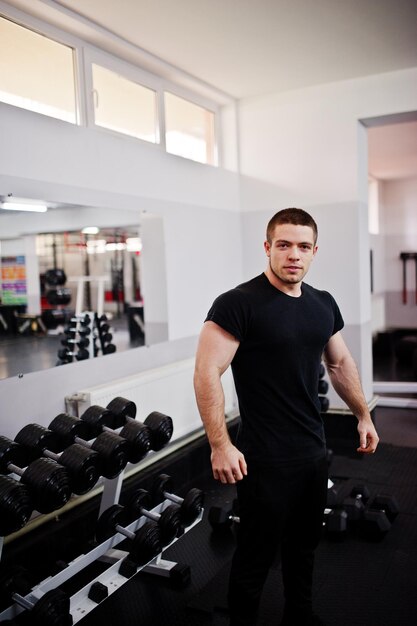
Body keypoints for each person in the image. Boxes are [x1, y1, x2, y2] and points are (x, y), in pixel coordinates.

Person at [193, 208, 379, 626]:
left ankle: (300, 615)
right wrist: (221, 445)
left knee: (305, 546)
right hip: (264, 456)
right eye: (283, 244)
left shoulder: (322, 303)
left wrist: (363, 416)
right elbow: (207, 372)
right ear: (268, 248)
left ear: (314, 251)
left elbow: (340, 362)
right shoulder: (238, 303)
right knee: (256, 554)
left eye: (302, 246)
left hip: (313, 450)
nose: (293, 254)